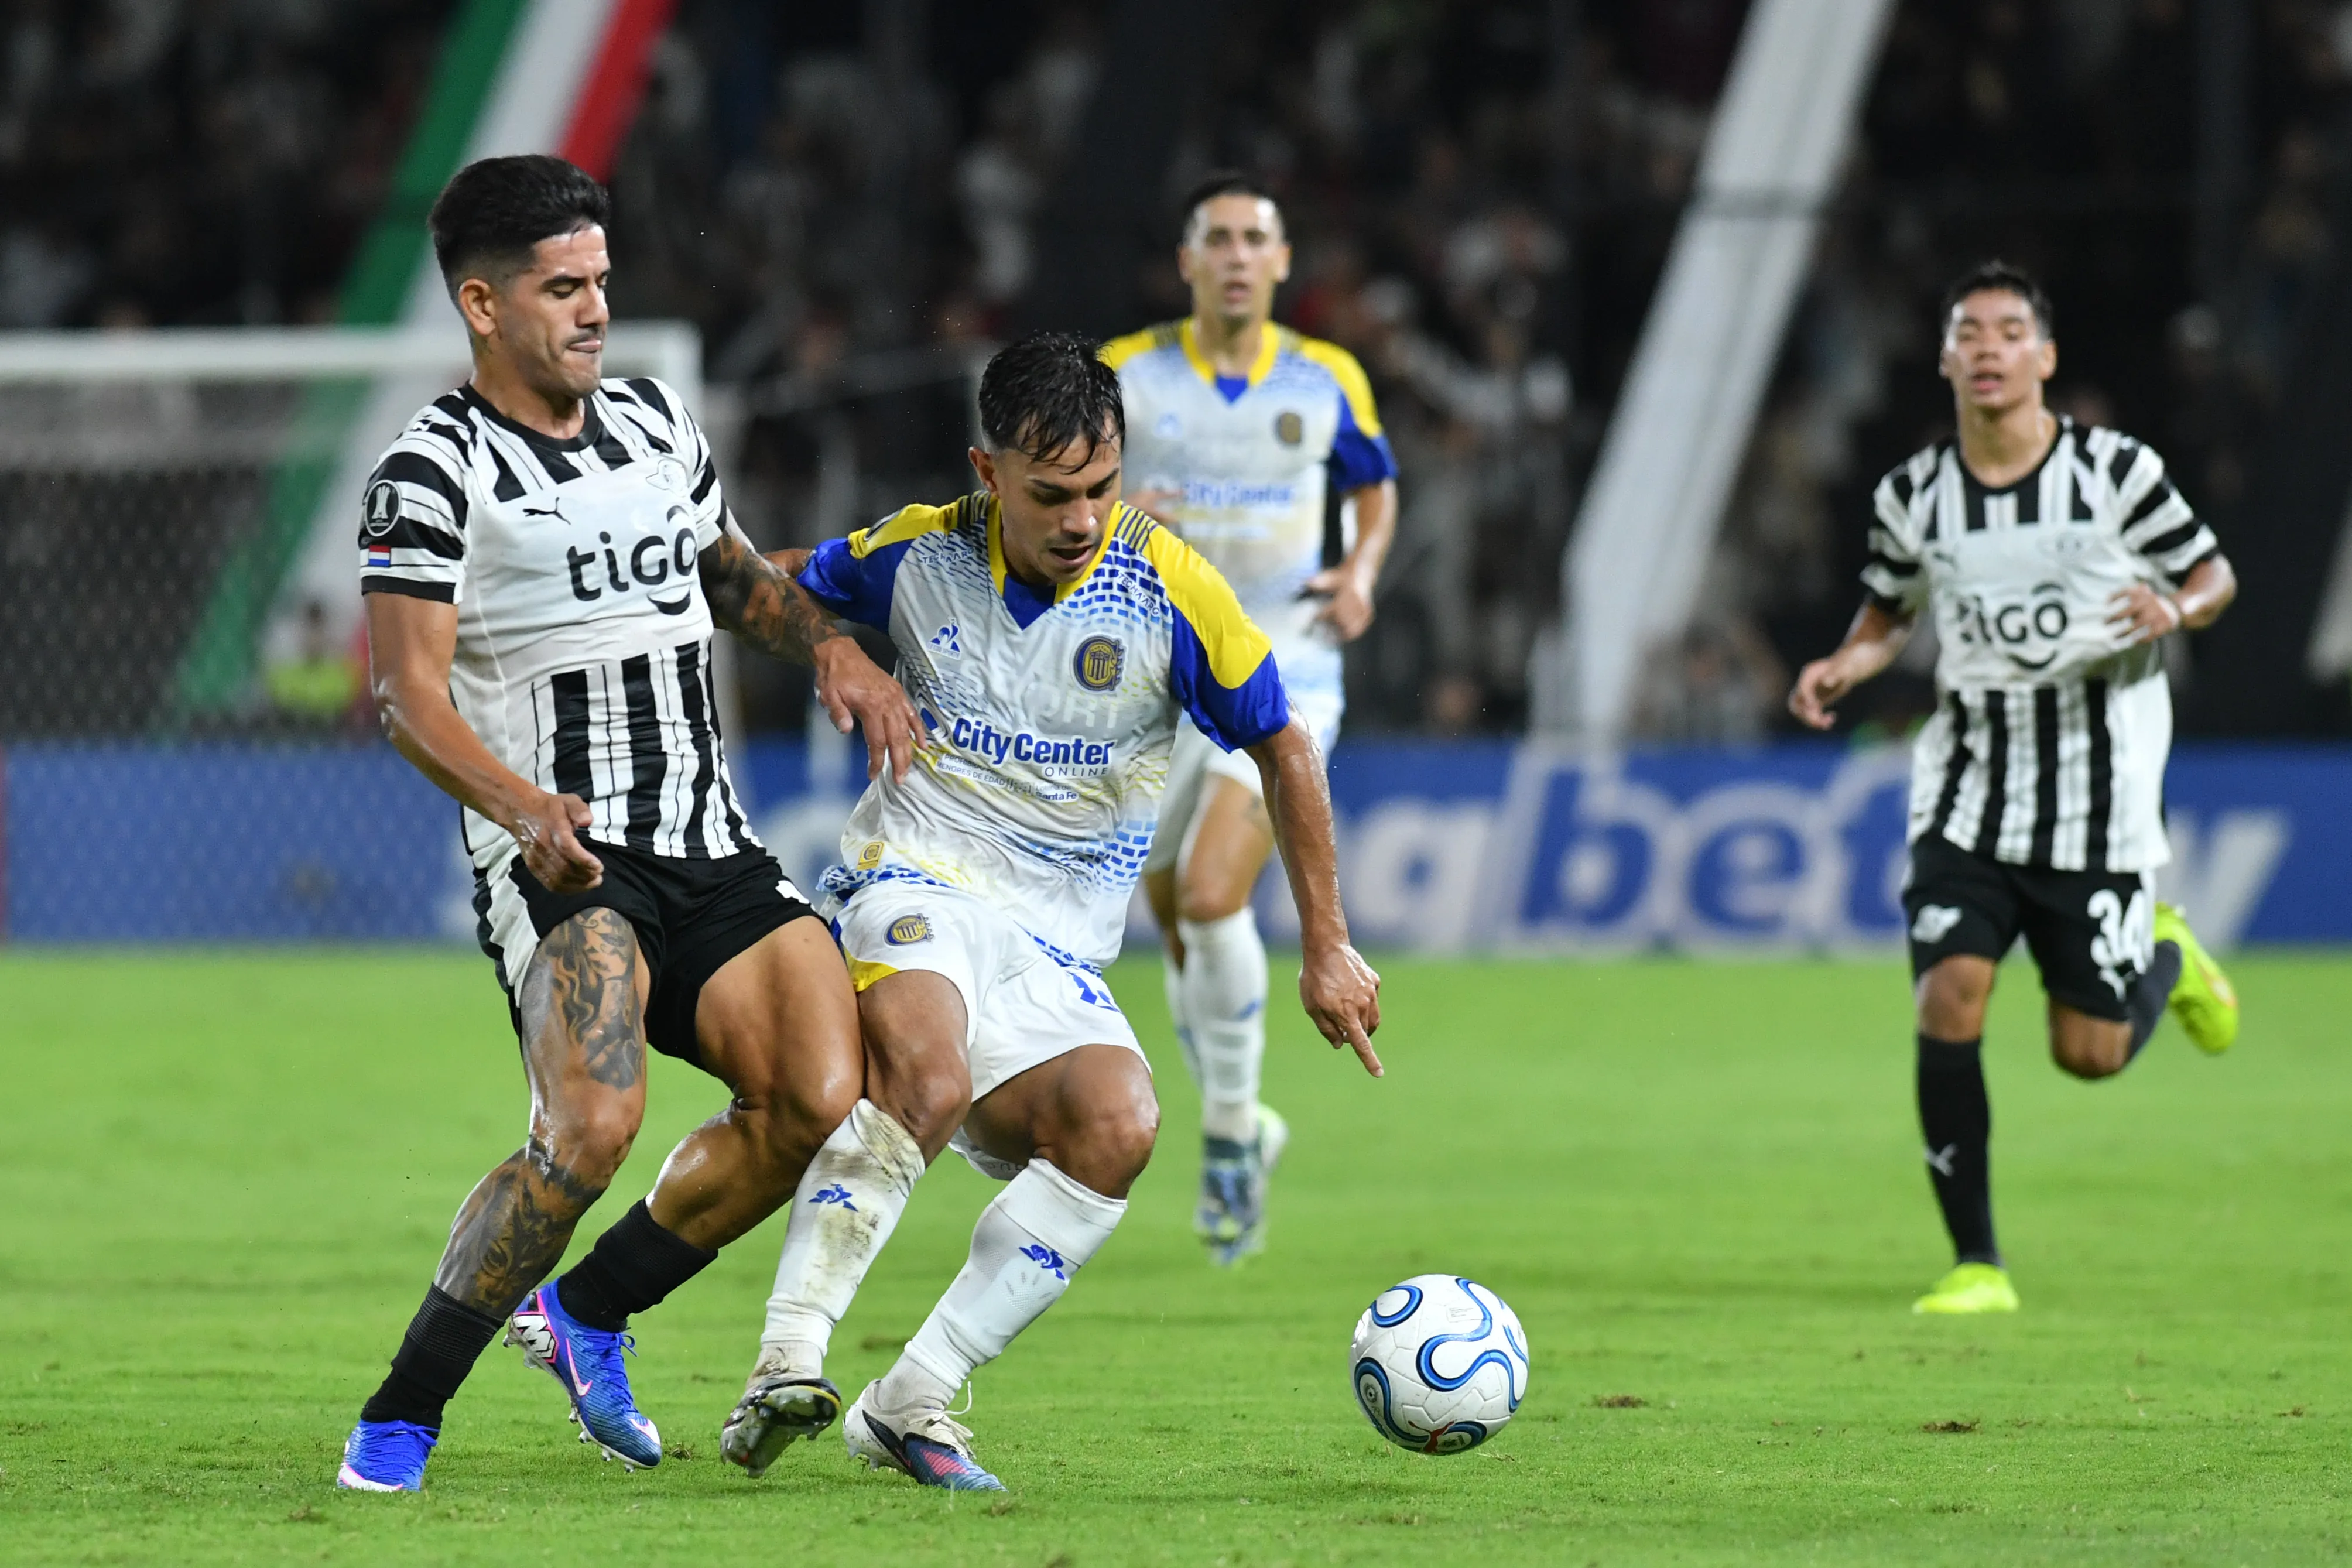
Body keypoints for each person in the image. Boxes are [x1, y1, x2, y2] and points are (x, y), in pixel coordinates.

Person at [336, 155, 921, 1491]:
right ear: (483, 305)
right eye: (563, 288)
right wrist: (519, 804)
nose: (596, 309)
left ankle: (589, 1312)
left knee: (820, 1096)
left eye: (602, 281)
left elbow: (730, 577)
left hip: (709, 841)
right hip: (566, 856)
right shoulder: (430, 473)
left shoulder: (658, 422)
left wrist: (830, 649)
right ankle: (404, 1408)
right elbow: (406, 694)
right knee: (589, 1129)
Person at [715, 331, 1383, 1490]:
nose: (1082, 517)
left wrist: (1326, 943)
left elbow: (1283, 740)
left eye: (1100, 486)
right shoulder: (919, 554)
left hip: (1057, 937)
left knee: (1119, 1125)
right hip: (912, 880)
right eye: (1051, 493)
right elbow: (745, 583)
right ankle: (785, 1361)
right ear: (987, 474)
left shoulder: (1167, 583)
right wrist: (828, 647)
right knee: (921, 1074)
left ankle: (912, 1395)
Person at [1788, 261, 2243, 1316]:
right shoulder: (1914, 495)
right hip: (1968, 790)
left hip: (2097, 801)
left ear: (2044, 356)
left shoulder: (2116, 473)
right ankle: (1976, 1262)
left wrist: (2176, 610)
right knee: (1950, 991)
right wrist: (1849, 664)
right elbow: (1889, 607)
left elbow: (2214, 574)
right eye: (1968, 332)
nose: (1987, 348)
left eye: (2008, 331)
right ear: (1947, 359)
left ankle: (2163, 952)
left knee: (2088, 1056)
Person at [1099, 172, 1398, 1264]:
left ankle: (1227, 1135)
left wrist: (1361, 570)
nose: (1234, 255)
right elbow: (1061, 485)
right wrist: (1114, 505)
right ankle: (1246, 1118)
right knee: (1178, 906)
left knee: (1217, 888)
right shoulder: (1128, 373)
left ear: (1281, 264)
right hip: (1160, 675)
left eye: (1253, 239)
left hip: (1285, 668)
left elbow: (1374, 485)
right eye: (1215, 238)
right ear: (1187, 262)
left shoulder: (1326, 379)